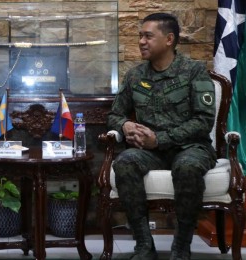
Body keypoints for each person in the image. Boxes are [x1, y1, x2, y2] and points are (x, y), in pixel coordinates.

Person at [107, 13, 216, 260]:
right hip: (149, 152)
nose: (141, 42)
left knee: (187, 167)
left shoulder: (194, 71)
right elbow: (114, 114)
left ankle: (181, 247)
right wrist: (125, 126)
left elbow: (203, 121)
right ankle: (144, 245)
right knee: (124, 162)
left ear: (169, 39)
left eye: (148, 36)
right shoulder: (135, 75)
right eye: (139, 36)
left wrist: (160, 139)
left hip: (191, 147)